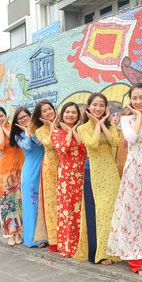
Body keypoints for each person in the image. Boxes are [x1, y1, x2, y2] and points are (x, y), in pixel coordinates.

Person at [107, 83, 142, 276]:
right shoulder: (126, 119)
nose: (138, 101)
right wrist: (139, 116)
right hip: (133, 171)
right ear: (130, 101)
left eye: (141, 97)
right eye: (134, 98)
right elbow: (131, 139)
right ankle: (134, 257)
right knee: (132, 212)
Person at [74, 93, 120, 265]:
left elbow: (115, 142)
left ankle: (114, 251)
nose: (98, 108)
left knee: (113, 211)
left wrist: (103, 124)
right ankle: (101, 253)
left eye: (101, 105)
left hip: (111, 171)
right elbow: (92, 145)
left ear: (106, 108)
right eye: (95, 105)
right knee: (101, 212)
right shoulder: (83, 128)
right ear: (88, 108)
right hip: (95, 172)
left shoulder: (112, 124)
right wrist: (98, 125)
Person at [50, 102, 86, 258]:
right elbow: (63, 149)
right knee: (67, 210)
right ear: (62, 115)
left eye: (74, 113)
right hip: (66, 176)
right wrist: (69, 132)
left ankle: (80, 245)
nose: (70, 115)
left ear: (78, 116)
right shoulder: (56, 133)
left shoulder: (82, 131)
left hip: (81, 174)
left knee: (80, 210)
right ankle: (66, 246)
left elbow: (85, 149)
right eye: (67, 112)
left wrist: (74, 131)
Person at [9, 107, 47, 248]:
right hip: (30, 172)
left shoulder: (38, 130)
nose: (24, 119)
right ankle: (33, 239)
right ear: (16, 121)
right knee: (31, 205)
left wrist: (31, 131)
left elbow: (40, 143)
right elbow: (28, 147)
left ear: (31, 116)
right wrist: (26, 133)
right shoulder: (18, 135)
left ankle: (44, 236)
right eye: (20, 118)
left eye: (26, 116)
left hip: (43, 168)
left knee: (42, 203)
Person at [0, 106, 24, 246]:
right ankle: (10, 234)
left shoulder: (14, 127)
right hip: (6, 173)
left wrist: (5, 127)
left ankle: (19, 232)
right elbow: (1, 146)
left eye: (1, 116)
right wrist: (1, 129)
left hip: (20, 168)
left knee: (19, 203)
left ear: (6, 116)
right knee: (7, 205)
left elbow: (15, 141)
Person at [31, 100, 59, 252]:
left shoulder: (63, 124)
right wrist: (53, 127)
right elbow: (50, 144)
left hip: (65, 165)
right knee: (51, 202)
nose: (49, 112)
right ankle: (54, 240)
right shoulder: (40, 130)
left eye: (50, 109)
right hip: (49, 167)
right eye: (45, 111)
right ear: (40, 115)